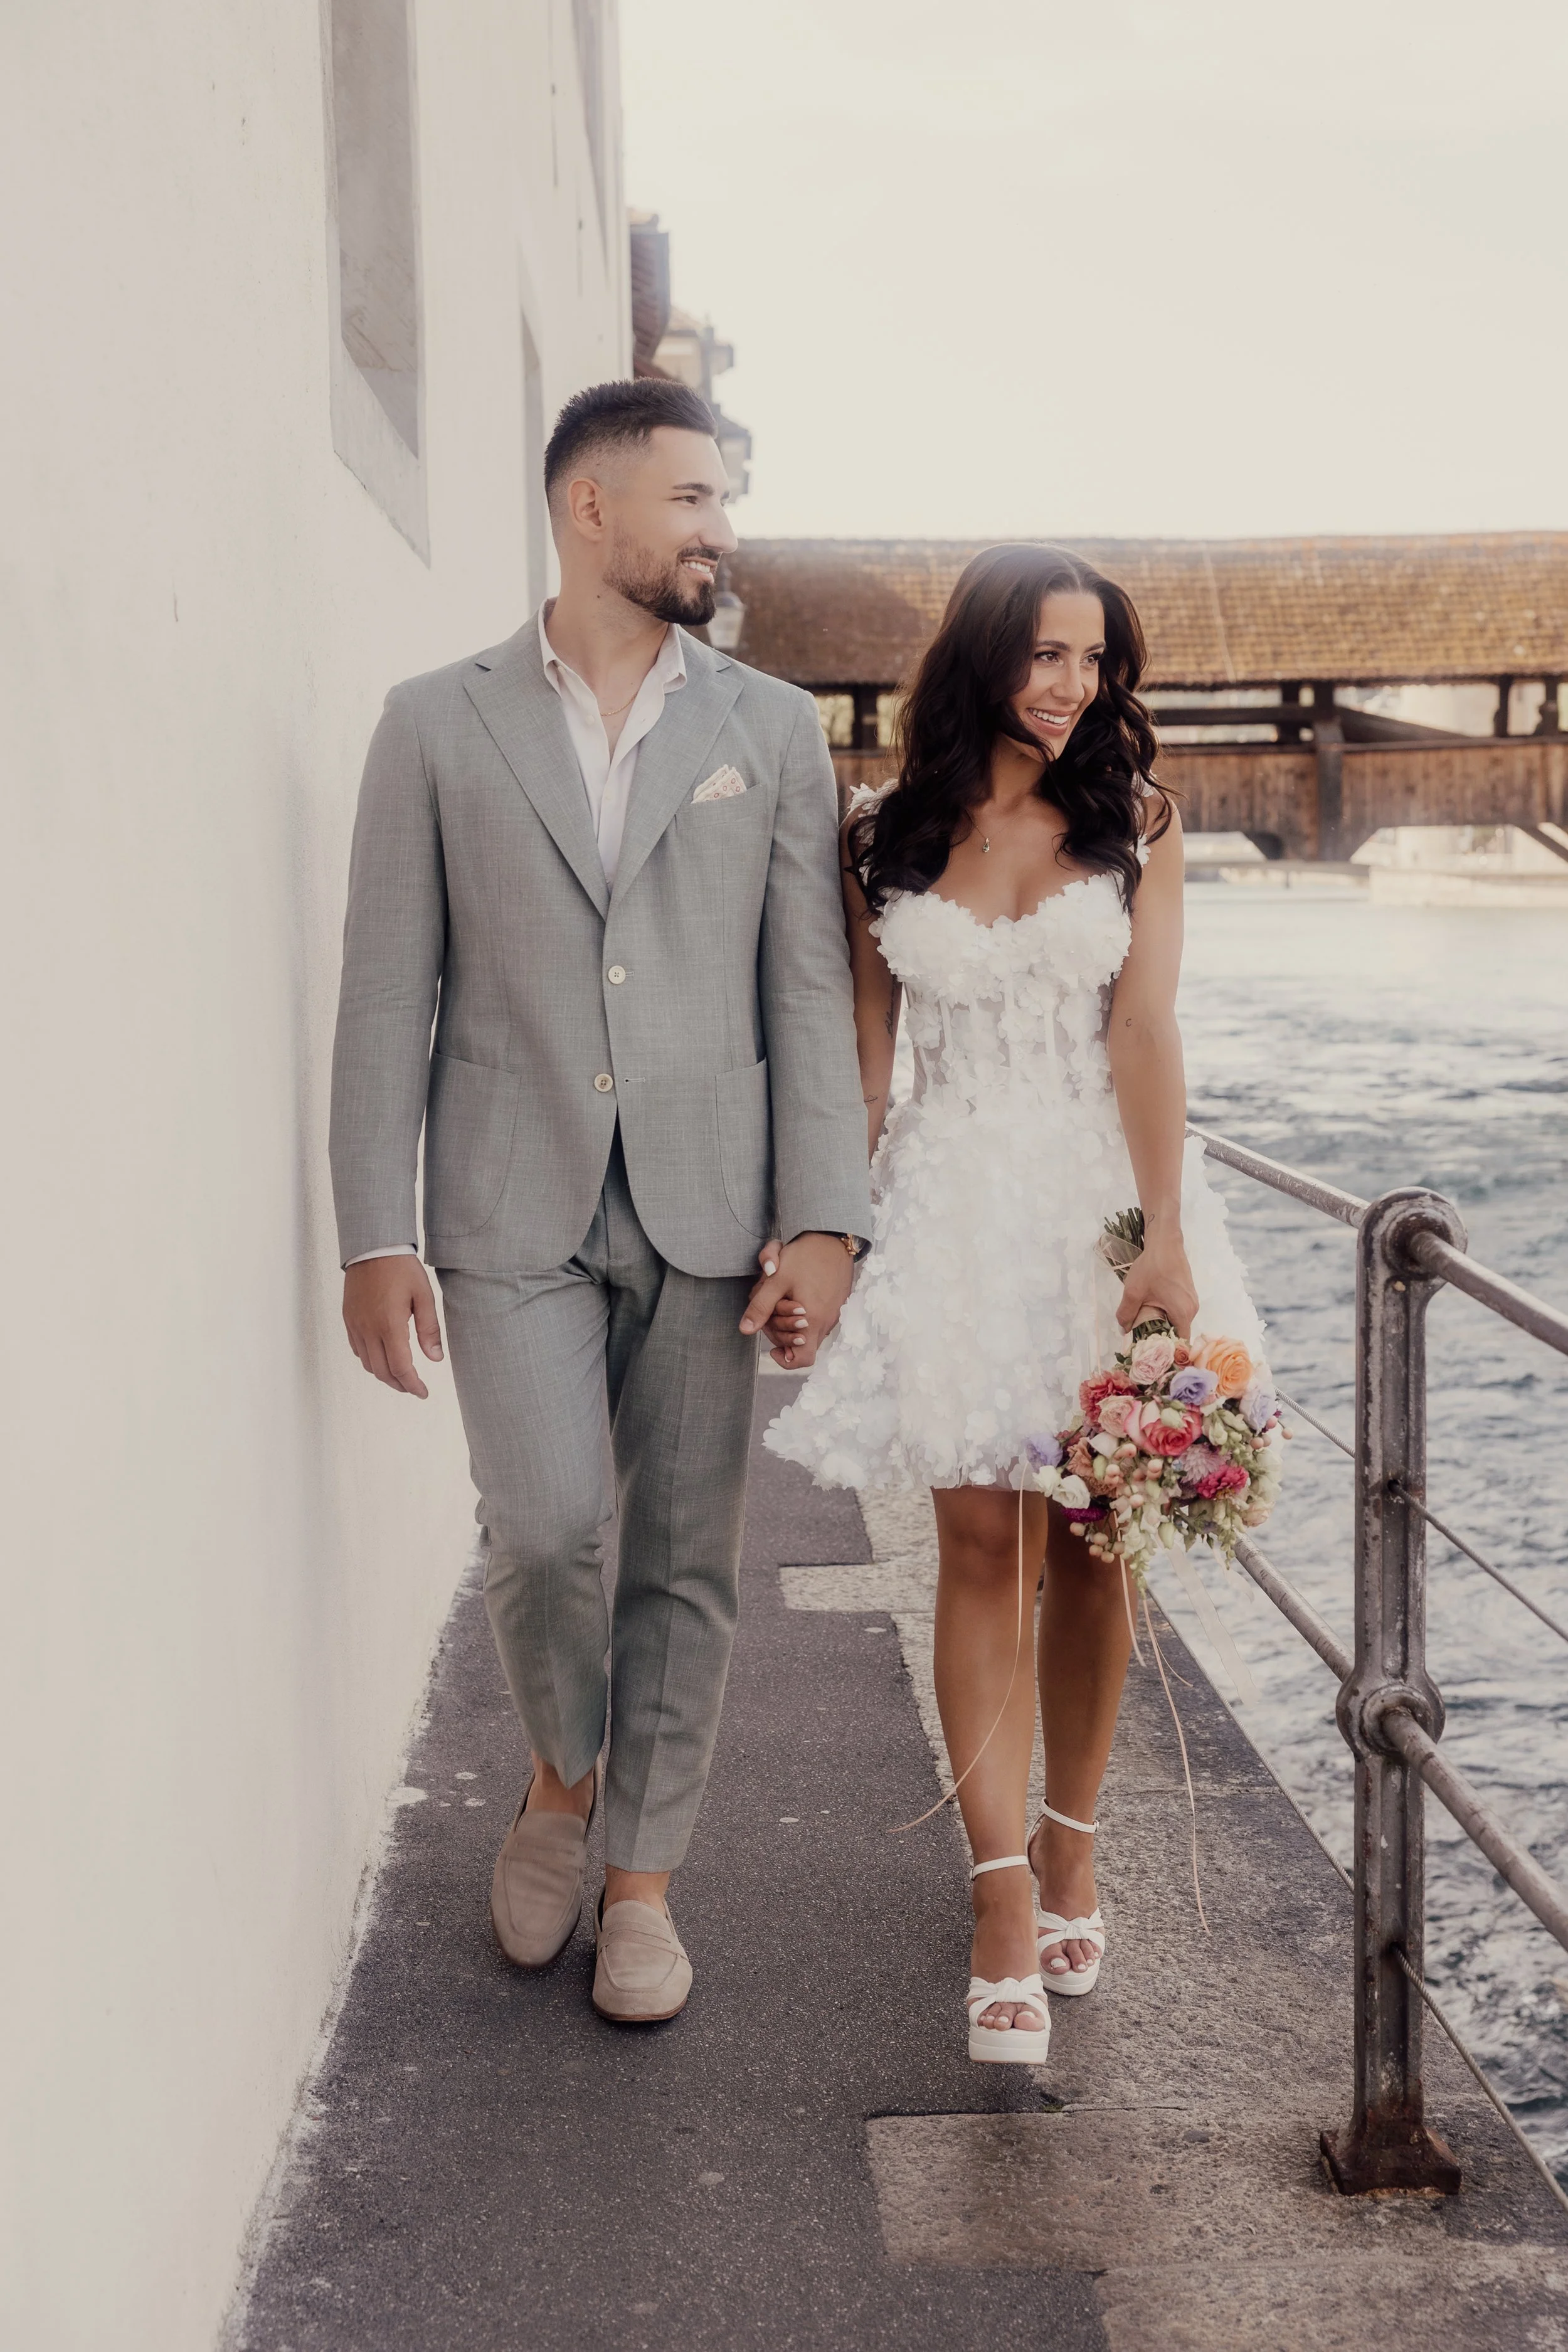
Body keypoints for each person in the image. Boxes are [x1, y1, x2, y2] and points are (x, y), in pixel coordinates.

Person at [329, 377, 870, 2024]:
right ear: (592, 513)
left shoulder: (770, 730)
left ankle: (639, 1882)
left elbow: (805, 991)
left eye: (722, 500)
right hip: (507, 1207)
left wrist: (827, 1218)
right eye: (694, 499)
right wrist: (373, 1228)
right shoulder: (434, 719)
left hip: (713, 1212)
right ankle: (561, 1774)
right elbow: (384, 996)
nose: (720, 529)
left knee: (683, 1565)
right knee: (551, 1527)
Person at [765, 544, 1264, 2065]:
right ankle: (994, 1898)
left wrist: (1162, 1237)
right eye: (1044, 654)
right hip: (944, 1203)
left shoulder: (1136, 825)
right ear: (981, 657)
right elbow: (864, 1067)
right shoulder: (879, 839)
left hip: (1096, 1206)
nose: (1069, 686)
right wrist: (817, 1233)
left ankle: (1069, 1843)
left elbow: (1143, 1026)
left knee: (1098, 1545)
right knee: (977, 1542)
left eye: (1093, 659)